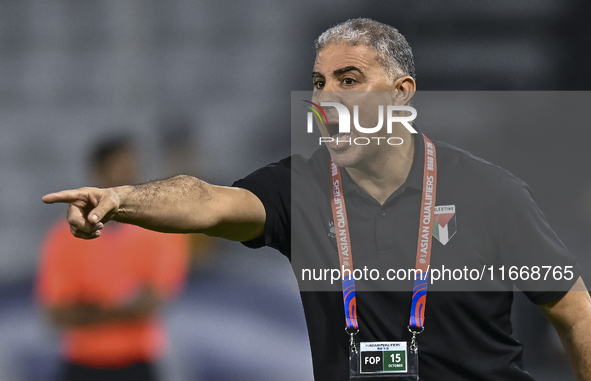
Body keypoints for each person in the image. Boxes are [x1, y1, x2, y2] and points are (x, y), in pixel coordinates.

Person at [42, 19, 591, 381]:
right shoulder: (301, 188)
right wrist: (122, 198)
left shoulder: (487, 192)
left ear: (402, 94)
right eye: (319, 84)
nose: (326, 99)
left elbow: (575, 312)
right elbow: (208, 201)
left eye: (348, 79)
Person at [37, 137, 189, 381]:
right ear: (99, 172)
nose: (129, 179)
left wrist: (91, 309)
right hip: (82, 364)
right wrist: (123, 308)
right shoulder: (64, 238)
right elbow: (57, 314)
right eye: (120, 169)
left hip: (137, 363)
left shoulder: (160, 232)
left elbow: (152, 303)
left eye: (133, 170)